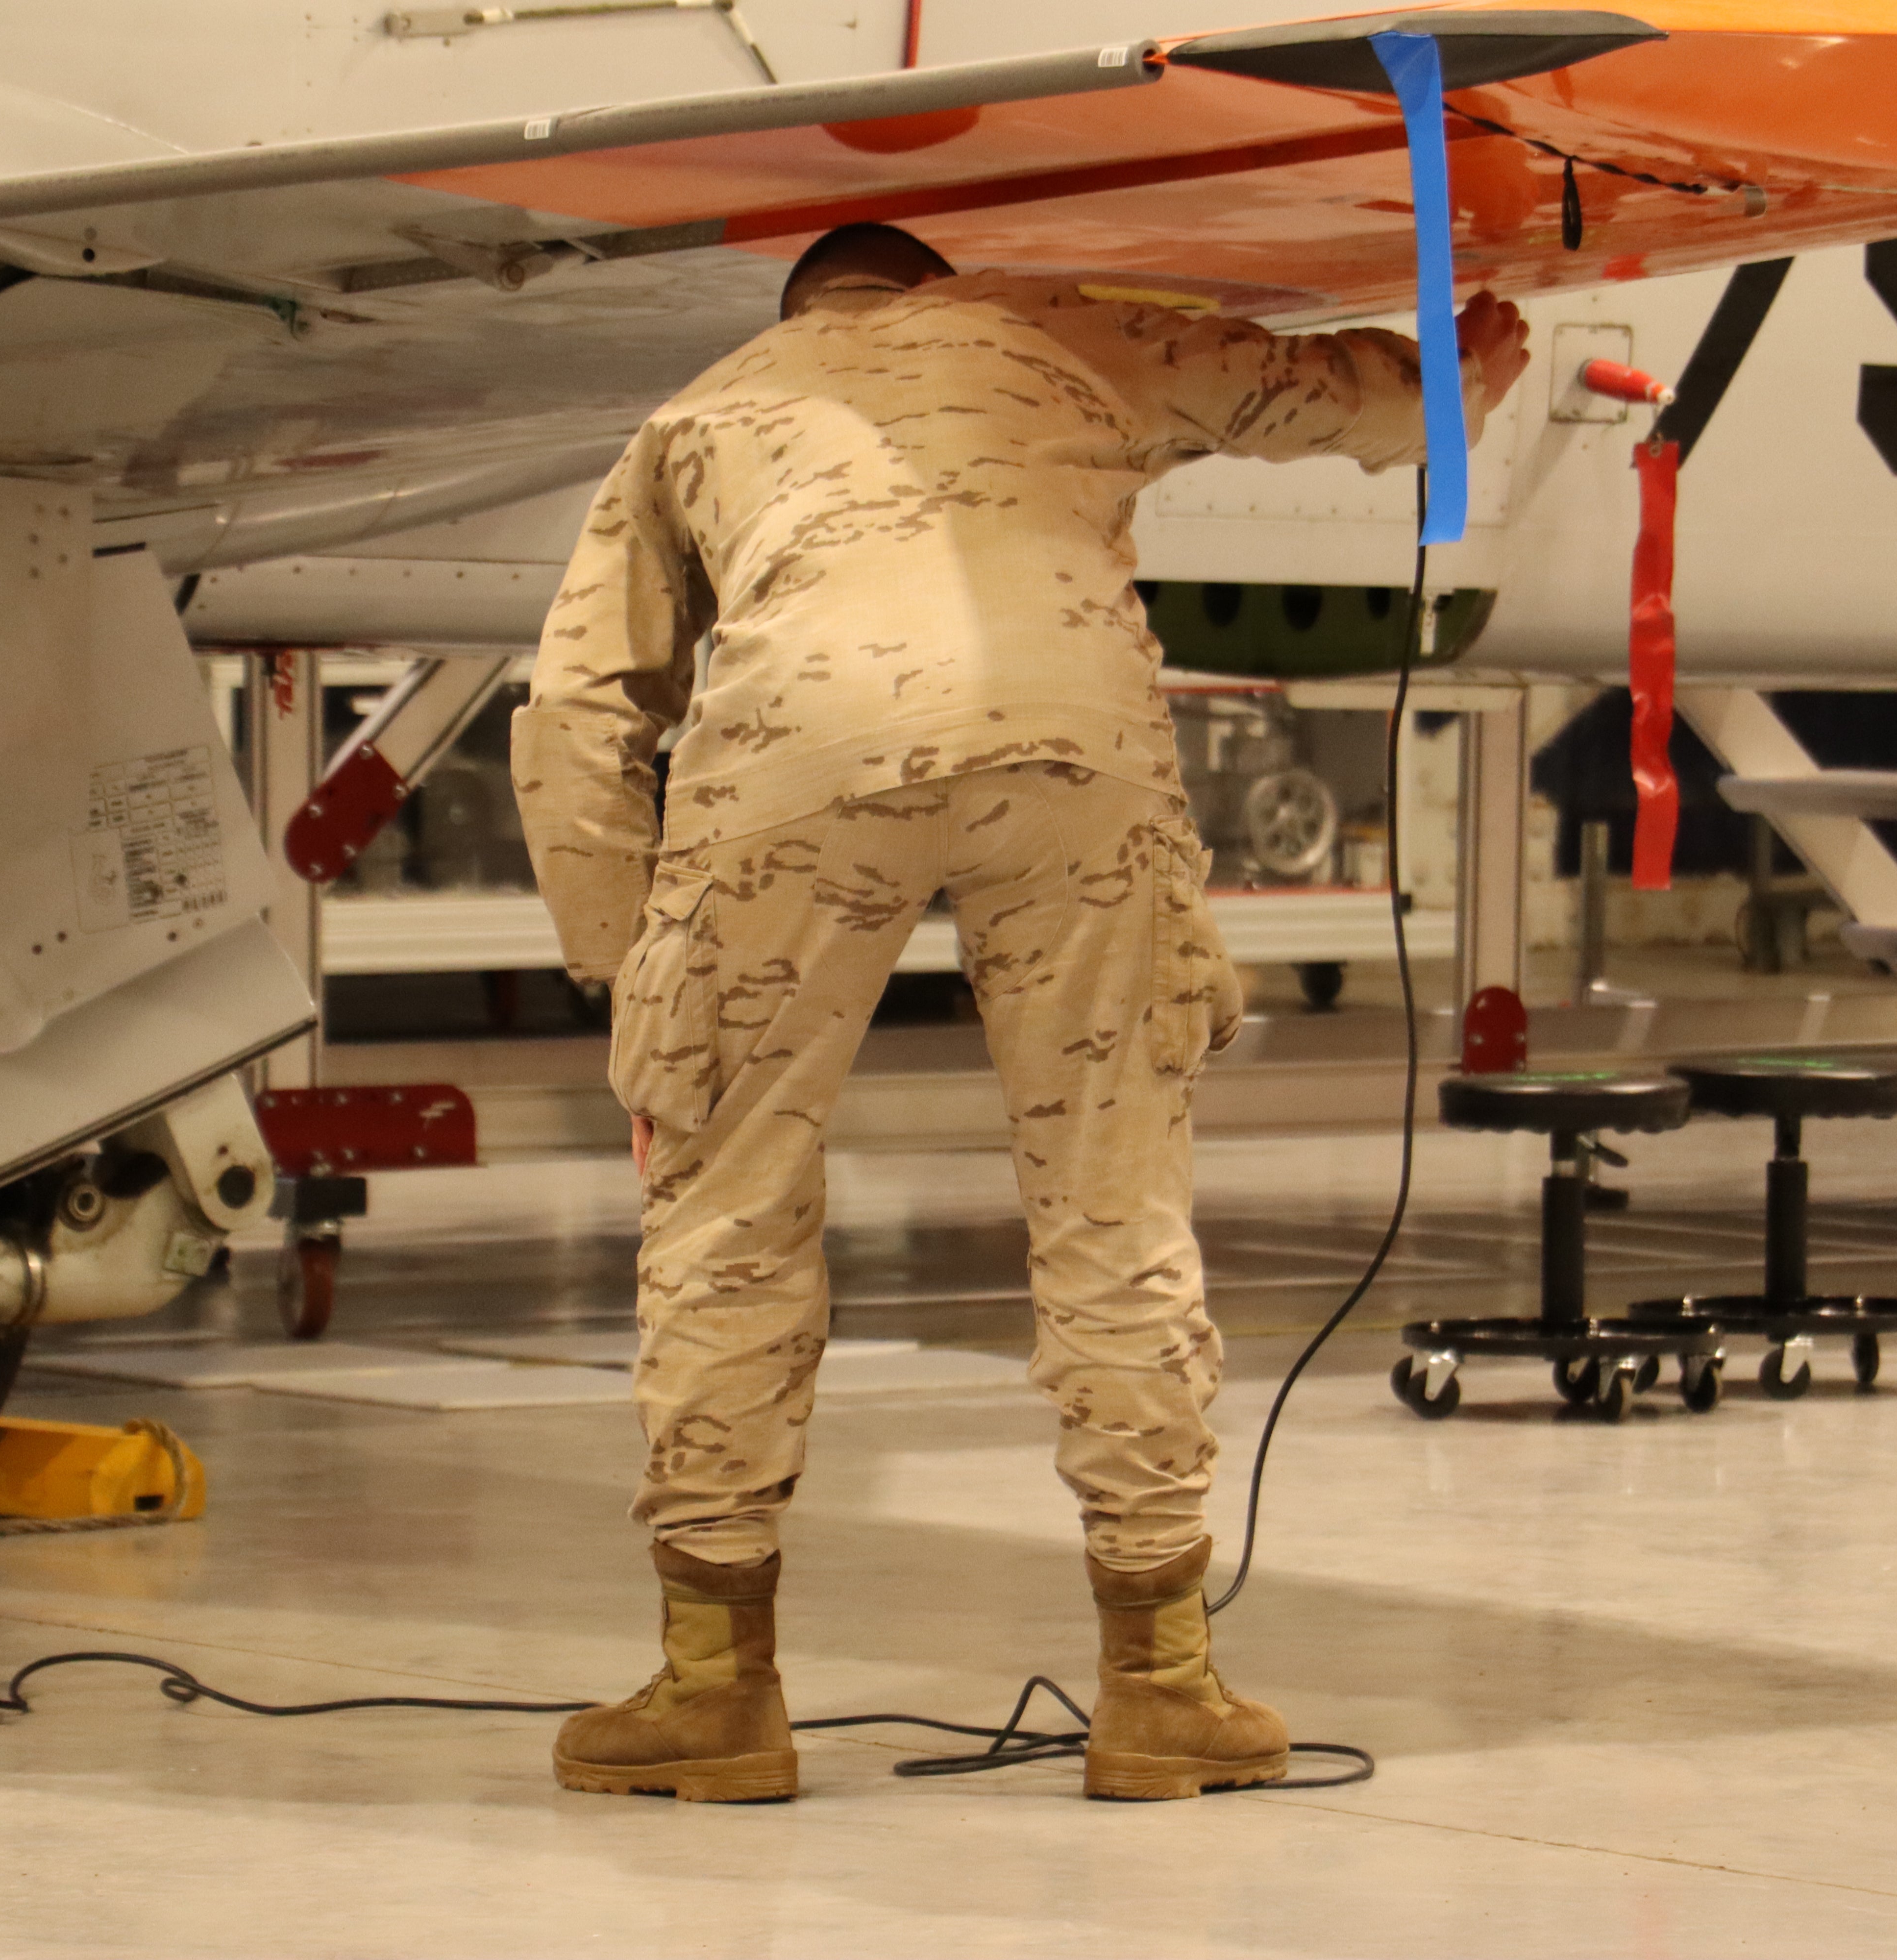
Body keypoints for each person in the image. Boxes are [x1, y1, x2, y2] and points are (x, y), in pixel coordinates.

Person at [513, 220, 1530, 1802]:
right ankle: (1161, 1690)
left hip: (795, 753)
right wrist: (1445, 378)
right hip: (1070, 741)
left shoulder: (702, 412)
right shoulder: (1054, 326)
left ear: (805, 312)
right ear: (930, 287)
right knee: (1113, 1204)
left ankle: (717, 1695)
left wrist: (628, 975)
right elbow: (1316, 397)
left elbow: (581, 705)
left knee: (724, 1212)